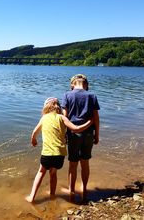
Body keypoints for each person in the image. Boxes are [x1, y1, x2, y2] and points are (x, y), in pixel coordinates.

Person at [25, 97, 93, 203]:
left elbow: (34, 132)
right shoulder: (62, 117)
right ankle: (52, 194)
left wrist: (33, 140)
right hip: (59, 155)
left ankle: (32, 197)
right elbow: (76, 129)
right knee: (53, 173)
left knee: (41, 172)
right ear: (59, 107)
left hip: (47, 153)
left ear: (46, 107)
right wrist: (89, 122)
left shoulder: (44, 118)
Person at [61, 74, 100, 203]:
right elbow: (96, 118)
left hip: (72, 134)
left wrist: (63, 135)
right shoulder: (92, 96)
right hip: (88, 133)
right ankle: (84, 189)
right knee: (85, 163)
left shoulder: (67, 95)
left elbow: (64, 118)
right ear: (86, 84)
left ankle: (71, 190)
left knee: (73, 164)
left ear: (72, 84)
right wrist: (97, 135)